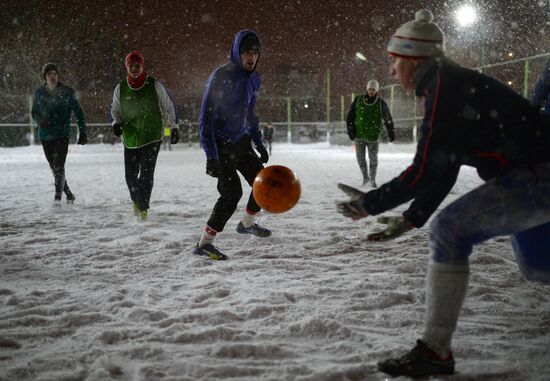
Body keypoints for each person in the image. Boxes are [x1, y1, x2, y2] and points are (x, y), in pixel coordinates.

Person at [336, 9, 550, 378]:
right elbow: (445, 166)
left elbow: (424, 171)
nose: (390, 70)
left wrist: (369, 204)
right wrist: (410, 217)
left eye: (394, 60)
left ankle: (434, 351)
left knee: (449, 230)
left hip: (540, 174)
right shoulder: (445, 83)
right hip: (534, 170)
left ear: (415, 57)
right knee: (538, 268)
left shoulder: (444, 89)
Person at [194, 29, 270, 261]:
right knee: (232, 193)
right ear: (237, 52)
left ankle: (246, 224)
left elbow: (250, 113)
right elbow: (205, 118)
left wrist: (259, 142)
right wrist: (211, 155)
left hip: (241, 143)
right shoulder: (221, 76)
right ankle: (204, 244)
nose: (251, 58)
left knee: (263, 184)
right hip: (221, 146)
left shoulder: (254, 78)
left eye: (255, 53)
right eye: (246, 52)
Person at [110, 51, 178, 220]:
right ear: (127, 67)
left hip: (152, 136)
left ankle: (143, 207)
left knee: (146, 174)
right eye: (131, 66)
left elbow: (168, 107)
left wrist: (173, 127)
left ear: (142, 66)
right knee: (130, 176)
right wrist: (116, 123)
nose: (134, 69)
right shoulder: (121, 87)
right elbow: (115, 109)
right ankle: (136, 200)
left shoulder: (154, 85)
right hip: (131, 138)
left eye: (137, 66)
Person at [31, 63, 87, 205]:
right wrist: (40, 120)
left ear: (58, 76)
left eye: (55, 74)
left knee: (59, 166)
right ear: (45, 77)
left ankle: (57, 198)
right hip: (45, 135)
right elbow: (34, 112)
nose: (53, 76)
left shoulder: (67, 92)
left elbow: (79, 113)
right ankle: (68, 193)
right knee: (54, 168)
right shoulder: (39, 93)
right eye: (49, 74)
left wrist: (83, 132)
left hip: (62, 134)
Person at [346, 79, 395, 187]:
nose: (371, 91)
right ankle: (365, 178)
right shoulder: (358, 100)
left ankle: (372, 179)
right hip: (359, 136)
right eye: (369, 89)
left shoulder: (380, 103)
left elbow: (388, 119)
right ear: (367, 88)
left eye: (373, 89)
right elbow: (350, 116)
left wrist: (391, 132)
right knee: (360, 159)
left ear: (376, 90)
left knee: (373, 159)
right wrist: (350, 130)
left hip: (373, 137)